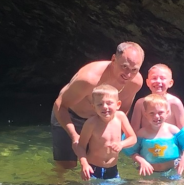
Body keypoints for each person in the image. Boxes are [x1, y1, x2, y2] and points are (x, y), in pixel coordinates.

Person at [51, 42, 144, 170]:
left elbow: (121, 111)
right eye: (124, 67)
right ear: (113, 60)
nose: (128, 74)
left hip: (100, 121)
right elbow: (60, 105)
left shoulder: (135, 82)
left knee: (95, 164)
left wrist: (116, 139)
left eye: (134, 70)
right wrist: (74, 136)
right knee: (66, 167)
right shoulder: (89, 78)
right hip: (71, 116)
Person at [73, 84, 138, 181]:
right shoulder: (91, 123)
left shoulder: (120, 117)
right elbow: (81, 146)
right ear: (93, 107)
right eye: (100, 104)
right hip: (93, 168)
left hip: (112, 168)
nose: (105, 107)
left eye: (109, 103)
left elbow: (133, 138)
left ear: (118, 105)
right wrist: (84, 164)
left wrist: (121, 144)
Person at [127, 93, 184, 176]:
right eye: (152, 113)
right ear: (146, 114)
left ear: (167, 113)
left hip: (172, 171)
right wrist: (142, 161)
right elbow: (132, 151)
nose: (156, 116)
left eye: (160, 112)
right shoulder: (142, 133)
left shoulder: (173, 130)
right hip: (149, 172)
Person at [130, 63, 184, 134]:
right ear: (147, 82)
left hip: (170, 140)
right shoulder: (140, 103)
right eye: (154, 78)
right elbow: (133, 132)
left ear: (170, 83)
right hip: (147, 140)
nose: (158, 81)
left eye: (162, 78)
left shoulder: (175, 103)